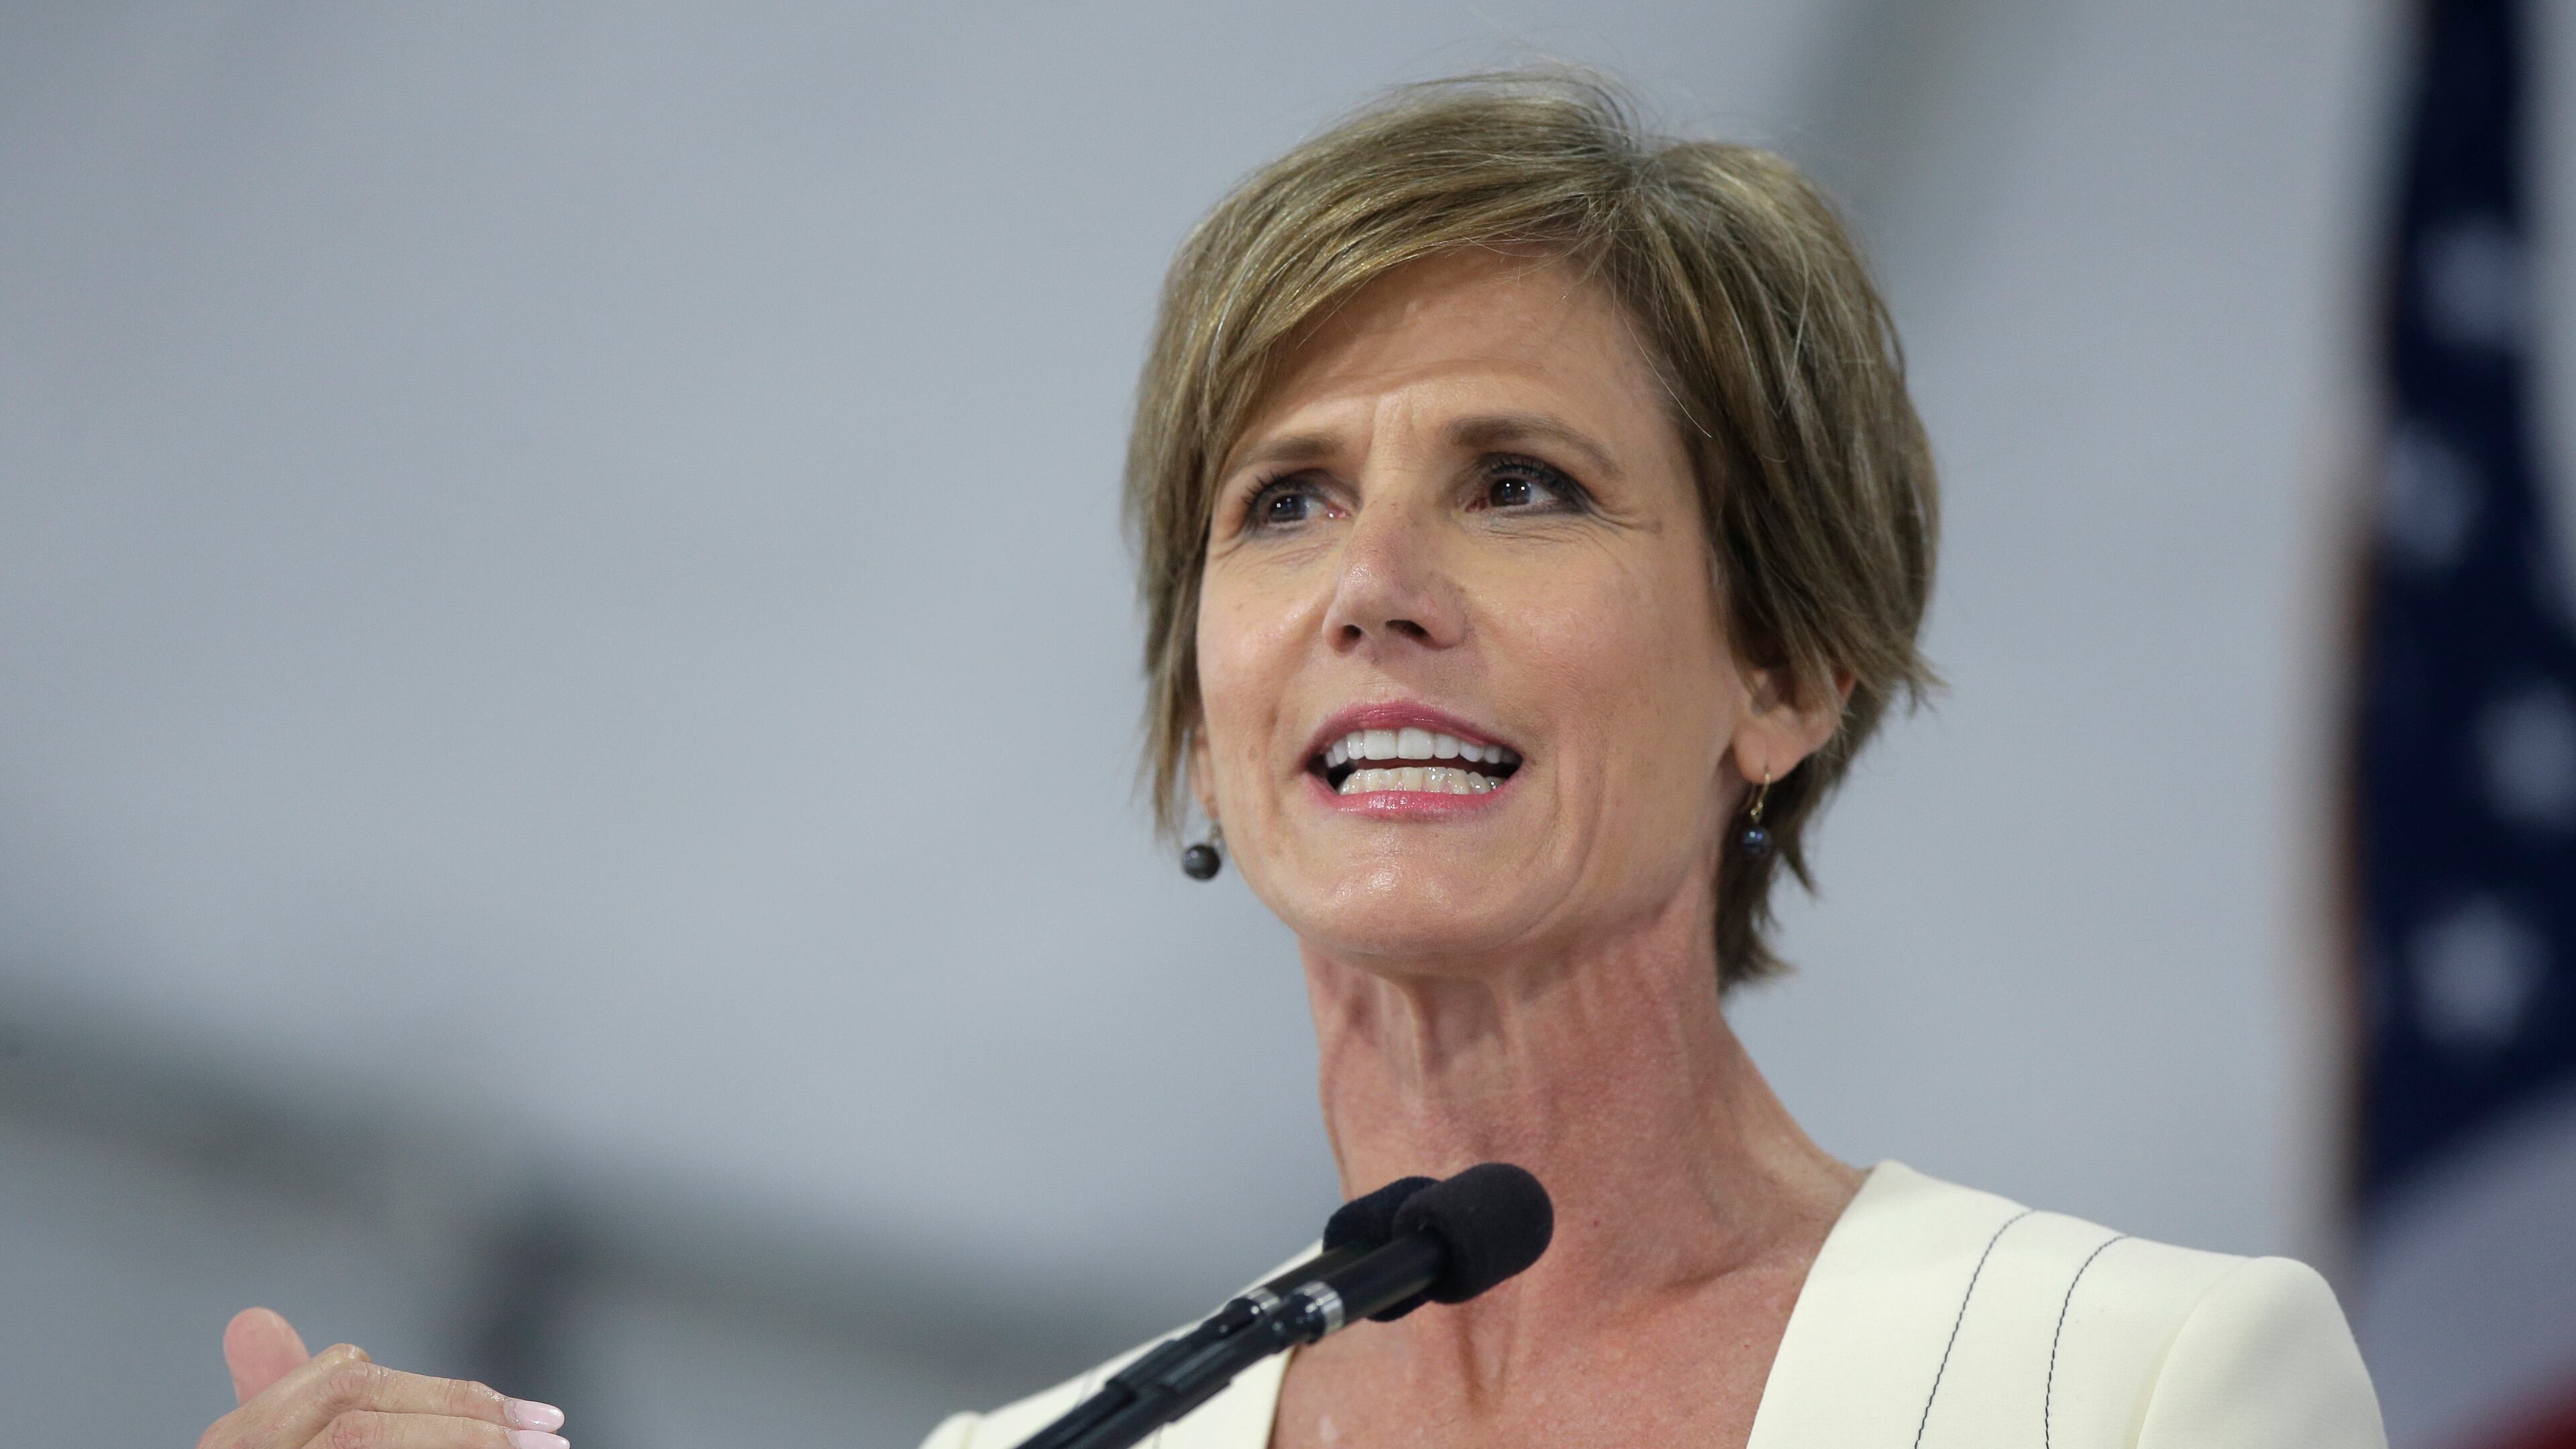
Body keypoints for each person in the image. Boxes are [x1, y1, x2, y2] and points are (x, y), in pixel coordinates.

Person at [194, 72, 2384, 1449]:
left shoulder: (2132, 1388)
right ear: (1200, 718)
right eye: (1285, 502)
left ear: (1787, 665)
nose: (1379, 585)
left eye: (1521, 485)